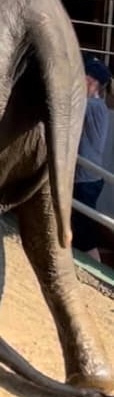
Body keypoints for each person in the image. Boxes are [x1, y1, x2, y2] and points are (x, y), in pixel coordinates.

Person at [73, 53, 112, 261]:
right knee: (78, 230)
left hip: (85, 179)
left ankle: (96, 276)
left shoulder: (94, 107)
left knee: (85, 236)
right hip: (85, 178)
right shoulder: (95, 107)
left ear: (92, 81)